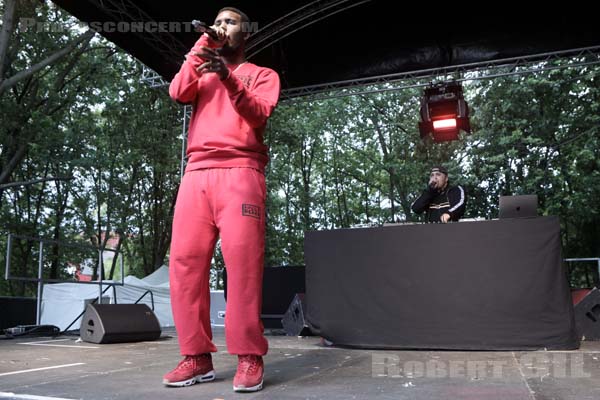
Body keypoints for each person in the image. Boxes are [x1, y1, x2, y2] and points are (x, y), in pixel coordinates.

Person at [163, 7, 280, 393]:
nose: (223, 26)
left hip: (241, 171)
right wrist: (202, 45)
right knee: (183, 265)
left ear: (246, 33)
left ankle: (249, 356)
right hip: (197, 172)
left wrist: (227, 76)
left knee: (243, 265)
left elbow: (258, 112)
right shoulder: (201, 66)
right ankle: (196, 357)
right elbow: (178, 92)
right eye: (219, 21)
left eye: (230, 22)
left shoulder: (262, 74)